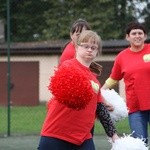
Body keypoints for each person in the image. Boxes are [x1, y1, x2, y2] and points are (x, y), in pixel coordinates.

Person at [38, 30, 119, 150]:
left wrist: (114, 136)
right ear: (76, 47)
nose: (90, 49)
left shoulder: (95, 81)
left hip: (83, 138)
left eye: (94, 47)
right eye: (86, 46)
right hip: (56, 133)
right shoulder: (67, 66)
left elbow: (100, 109)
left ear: (97, 52)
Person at [102, 21, 150, 144]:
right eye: (134, 33)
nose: (137, 36)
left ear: (145, 36)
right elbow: (113, 78)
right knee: (140, 143)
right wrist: (100, 92)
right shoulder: (122, 57)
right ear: (127, 37)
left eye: (140, 33)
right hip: (135, 108)